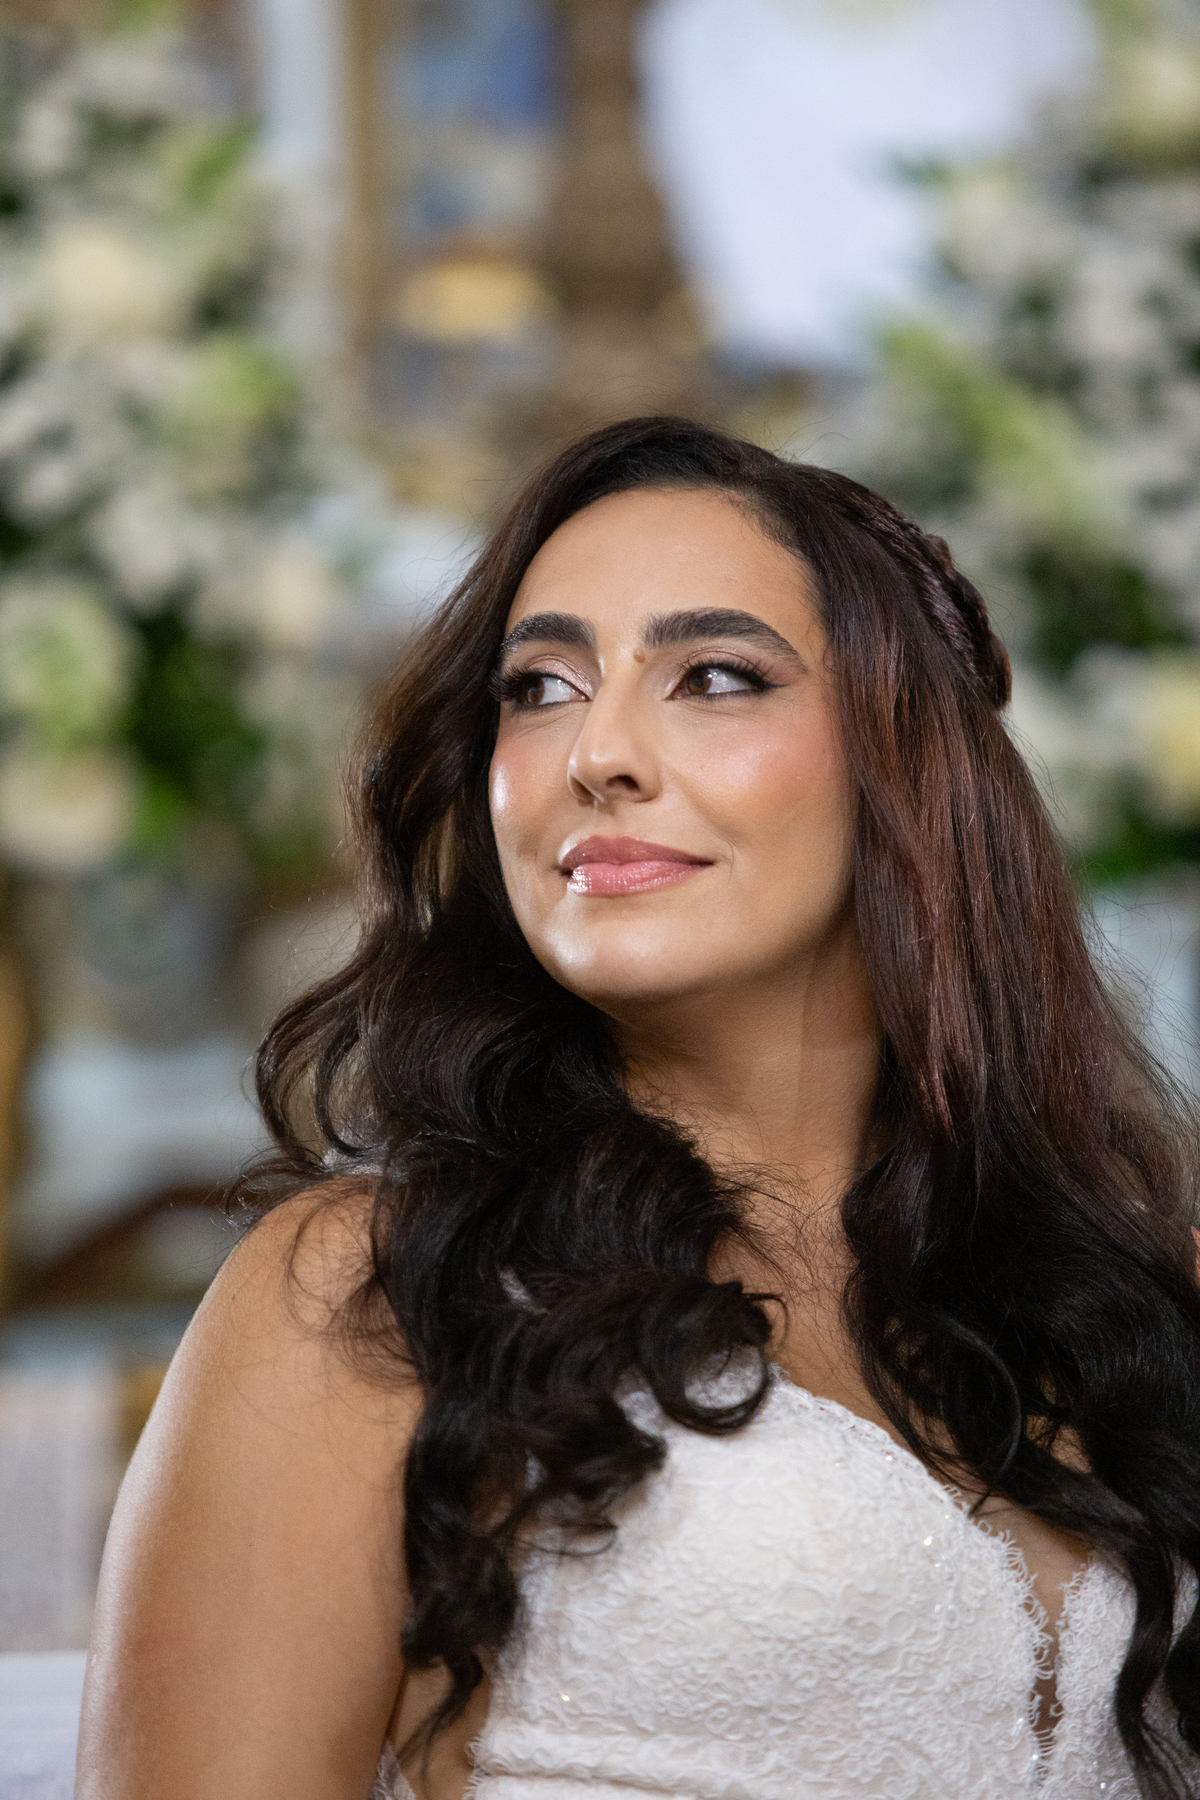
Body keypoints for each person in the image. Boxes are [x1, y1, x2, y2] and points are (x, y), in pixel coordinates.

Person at [76, 418, 1200, 1800]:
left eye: (714, 676)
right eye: (539, 687)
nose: (596, 752)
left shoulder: (1129, 1294)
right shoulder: (372, 1296)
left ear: (910, 759)